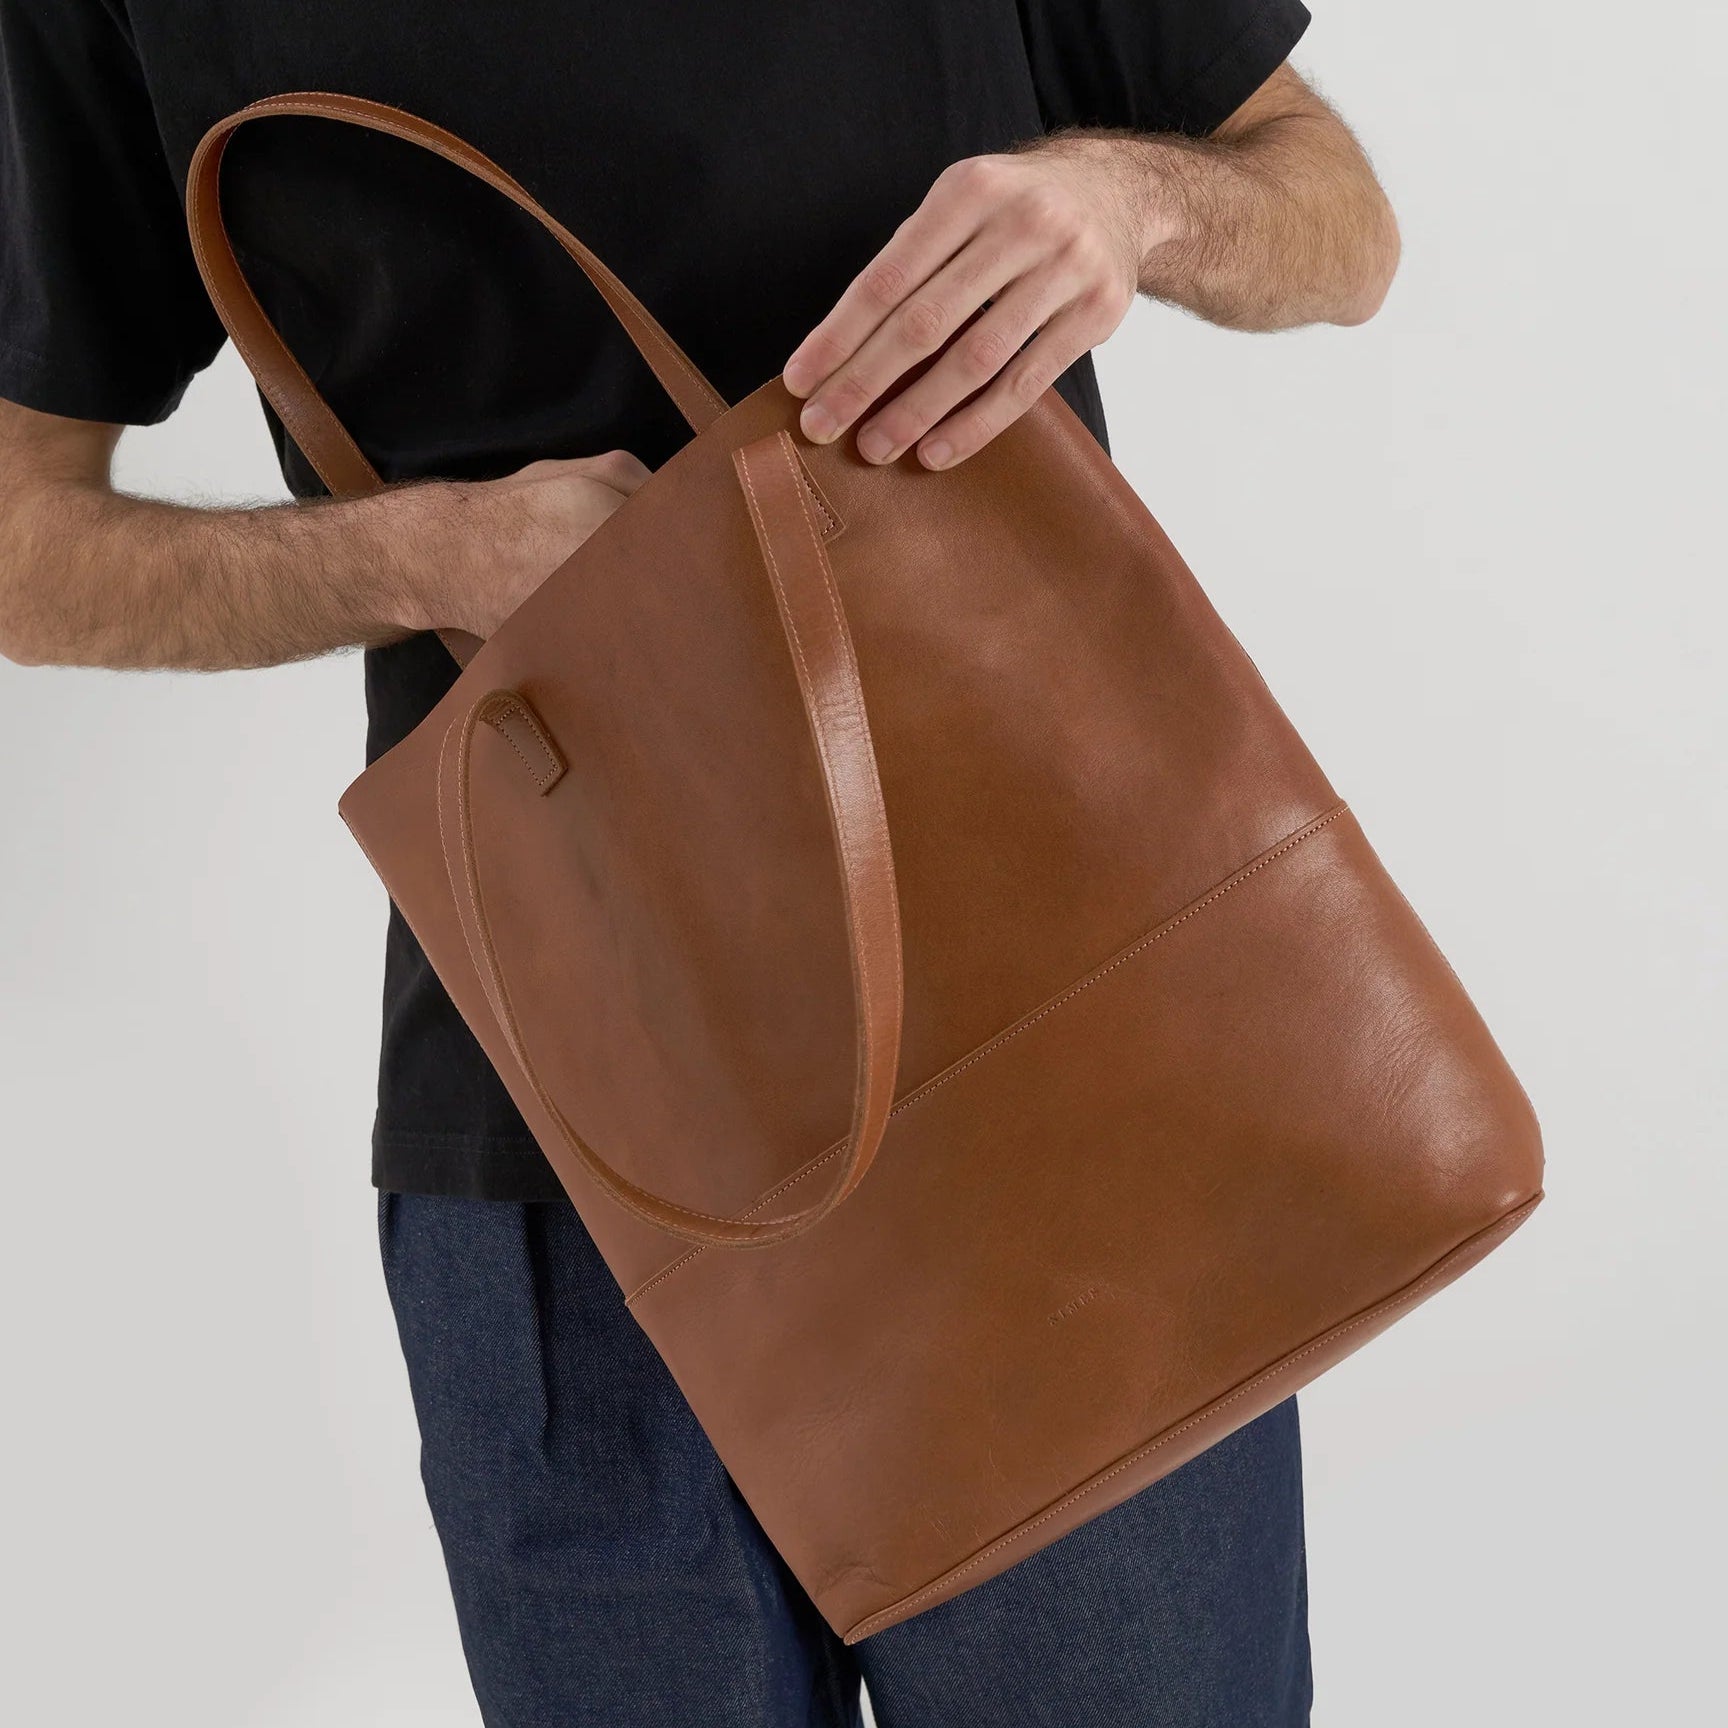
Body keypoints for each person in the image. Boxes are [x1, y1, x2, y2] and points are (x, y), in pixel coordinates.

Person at [0, 4, 1397, 1722]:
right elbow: (17, 538)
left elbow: (1336, 215)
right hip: (561, 1159)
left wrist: (1127, 200)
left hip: (1061, 1103)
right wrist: (420, 554)